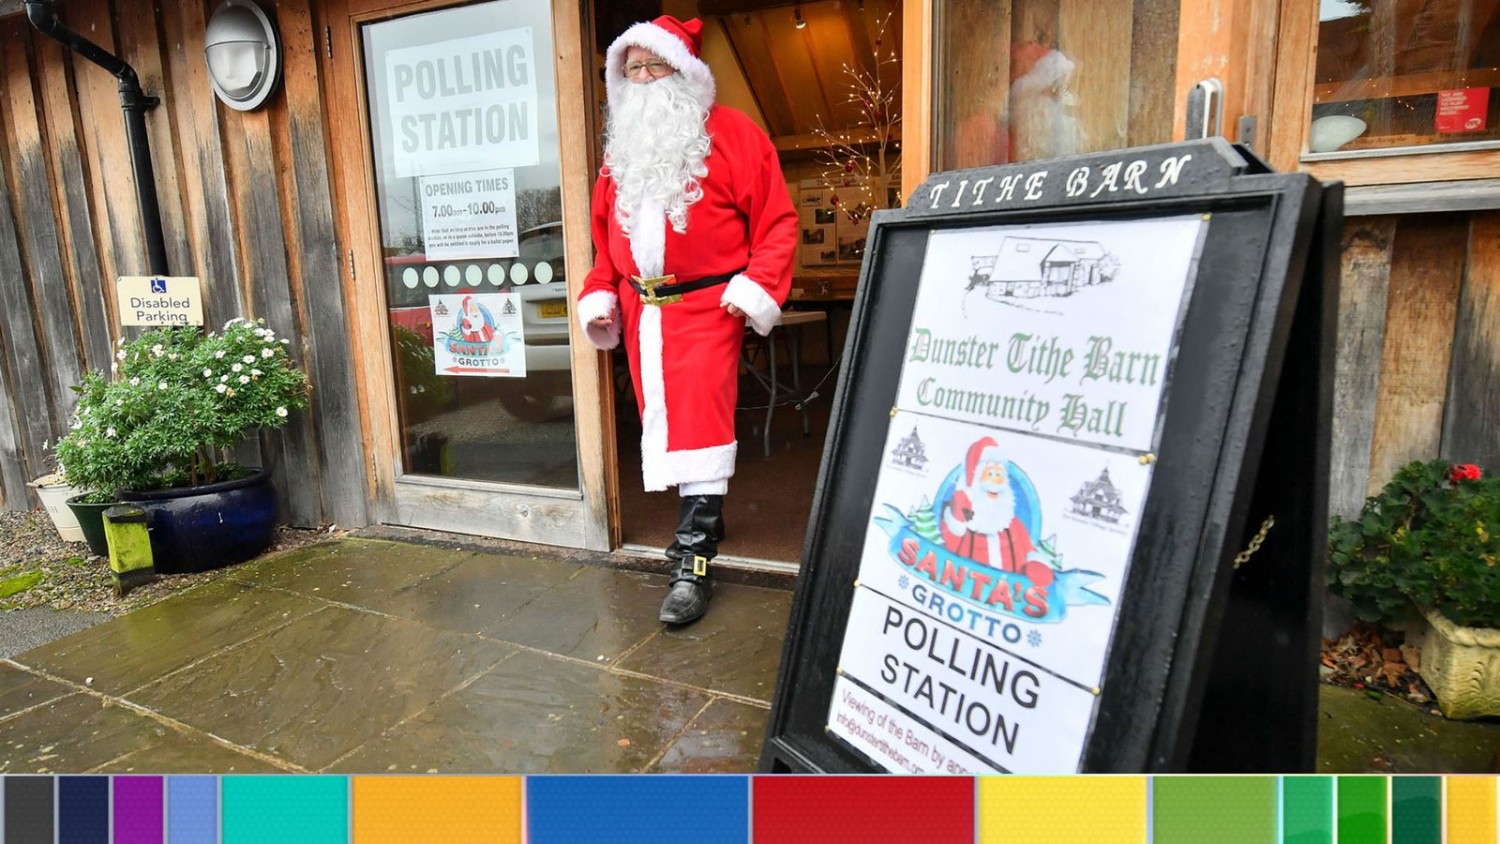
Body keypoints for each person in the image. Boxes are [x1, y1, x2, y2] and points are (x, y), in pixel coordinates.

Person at [575, 16, 798, 625]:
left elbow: (777, 222)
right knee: (666, 432)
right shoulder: (619, 154)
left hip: (707, 309)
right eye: (632, 68)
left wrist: (754, 288)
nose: (643, 79)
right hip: (643, 315)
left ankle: (693, 566)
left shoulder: (733, 135)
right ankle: (687, 553)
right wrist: (600, 291)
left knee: (702, 438)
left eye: (655, 65)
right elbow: (605, 245)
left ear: (685, 71)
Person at [939, 438, 1053, 587]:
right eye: (991, 474)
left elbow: (1028, 551)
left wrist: (1036, 565)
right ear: (975, 482)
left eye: (1000, 476)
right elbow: (953, 538)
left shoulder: (1011, 523)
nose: (996, 482)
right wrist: (959, 511)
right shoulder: (971, 518)